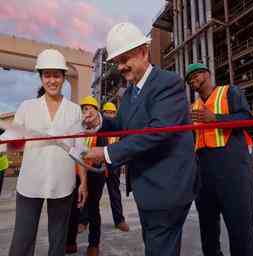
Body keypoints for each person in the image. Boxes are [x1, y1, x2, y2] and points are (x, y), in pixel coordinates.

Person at [82, 22, 198, 256]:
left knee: (160, 248)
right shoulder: (131, 92)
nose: (122, 67)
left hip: (168, 189)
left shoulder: (168, 83)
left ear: (144, 52)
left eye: (126, 58)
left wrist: (106, 154)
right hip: (147, 188)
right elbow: (123, 124)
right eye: (118, 62)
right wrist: (101, 122)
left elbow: (158, 131)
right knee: (156, 246)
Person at [7, 49, 86, 256]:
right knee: (22, 241)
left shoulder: (74, 110)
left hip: (62, 184)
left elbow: (79, 150)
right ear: (41, 77)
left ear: (63, 77)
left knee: (58, 241)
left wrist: (83, 182)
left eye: (56, 75)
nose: (52, 80)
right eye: (47, 75)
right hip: (30, 184)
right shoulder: (27, 107)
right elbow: (11, 141)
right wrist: (11, 143)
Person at [186, 63, 253, 256]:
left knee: (241, 231)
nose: (193, 80)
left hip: (233, 172)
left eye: (196, 75)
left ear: (207, 74)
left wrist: (215, 118)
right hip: (204, 176)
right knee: (208, 232)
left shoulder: (229, 92)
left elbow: (246, 119)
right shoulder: (193, 107)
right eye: (190, 79)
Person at [80, 96, 107, 256]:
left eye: (91, 108)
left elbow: (102, 154)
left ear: (97, 111)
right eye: (84, 109)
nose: (87, 111)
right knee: (77, 204)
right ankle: (77, 230)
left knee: (93, 206)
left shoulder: (102, 129)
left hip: (96, 172)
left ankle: (94, 244)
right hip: (79, 170)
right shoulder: (79, 128)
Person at [102, 102, 129, 232]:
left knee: (114, 192)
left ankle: (119, 220)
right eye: (107, 112)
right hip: (99, 163)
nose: (110, 115)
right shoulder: (99, 127)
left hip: (113, 164)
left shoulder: (118, 128)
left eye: (112, 113)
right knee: (93, 194)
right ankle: (84, 220)